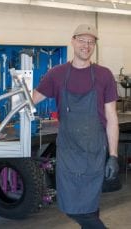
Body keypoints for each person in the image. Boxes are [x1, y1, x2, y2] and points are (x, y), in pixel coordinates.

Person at [32, 24, 119, 229]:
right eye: (82, 40)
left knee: (90, 205)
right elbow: (31, 100)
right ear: (73, 41)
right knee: (71, 206)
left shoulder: (104, 75)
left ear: (94, 45)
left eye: (91, 42)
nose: (86, 45)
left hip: (94, 149)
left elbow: (111, 116)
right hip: (69, 150)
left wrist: (113, 155)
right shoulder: (57, 74)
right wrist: (16, 98)